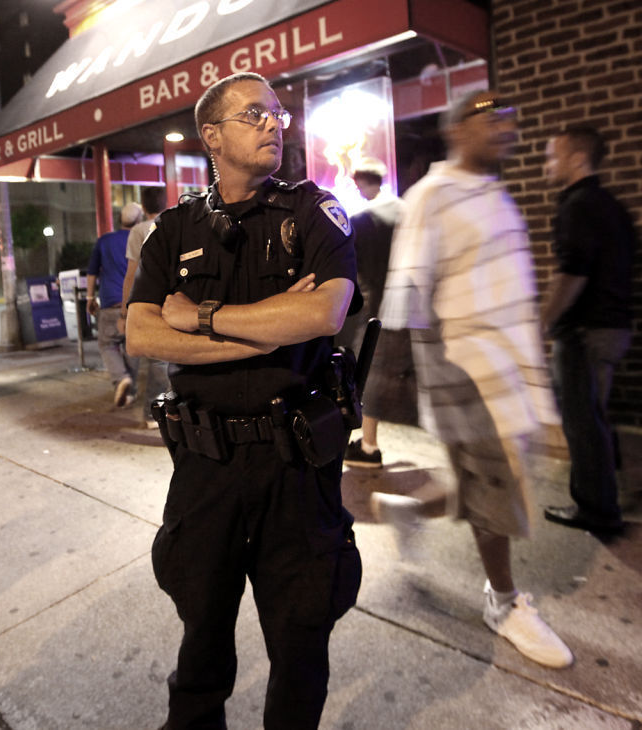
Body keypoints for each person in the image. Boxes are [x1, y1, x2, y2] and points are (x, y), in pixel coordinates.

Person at [126, 72, 362, 730]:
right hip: (205, 468)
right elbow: (142, 333)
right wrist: (267, 330)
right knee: (201, 634)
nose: (273, 125)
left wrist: (201, 319)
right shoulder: (172, 228)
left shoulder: (312, 211)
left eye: (277, 115)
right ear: (212, 136)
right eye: (254, 114)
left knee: (301, 638)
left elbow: (323, 312)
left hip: (297, 466)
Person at [373, 90, 573, 669]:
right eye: (491, 119)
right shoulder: (432, 195)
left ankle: (407, 511)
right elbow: (406, 295)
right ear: (457, 129)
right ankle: (503, 603)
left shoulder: (494, 193)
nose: (506, 129)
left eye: (511, 120)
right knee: (497, 486)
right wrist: (412, 382)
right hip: (468, 375)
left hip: (511, 372)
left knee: (493, 482)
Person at [540, 126, 636, 536]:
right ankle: (607, 494)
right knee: (593, 415)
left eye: (553, 156)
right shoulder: (611, 205)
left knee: (582, 421)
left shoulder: (578, 205)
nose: (547, 164)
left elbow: (573, 273)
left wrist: (543, 320)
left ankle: (596, 509)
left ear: (578, 159)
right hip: (612, 327)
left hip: (585, 331)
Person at [340, 161, 417, 468]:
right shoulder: (405, 210)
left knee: (370, 371)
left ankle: (369, 446)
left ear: (360, 183)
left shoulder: (362, 219)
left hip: (379, 305)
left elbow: (353, 266)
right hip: (412, 302)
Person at [121, 186, 170, 428]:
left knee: (157, 358)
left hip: (150, 298)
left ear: (143, 206)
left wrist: (125, 308)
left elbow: (132, 273)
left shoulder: (138, 231)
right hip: (176, 299)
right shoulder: (174, 223)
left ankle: (153, 412)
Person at [88, 203, 143, 408]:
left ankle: (121, 378)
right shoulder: (140, 238)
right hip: (134, 303)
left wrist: (90, 297)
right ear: (138, 220)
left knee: (107, 344)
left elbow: (92, 272)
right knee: (132, 348)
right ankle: (130, 392)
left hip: (110, 302)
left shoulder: (104, 241)